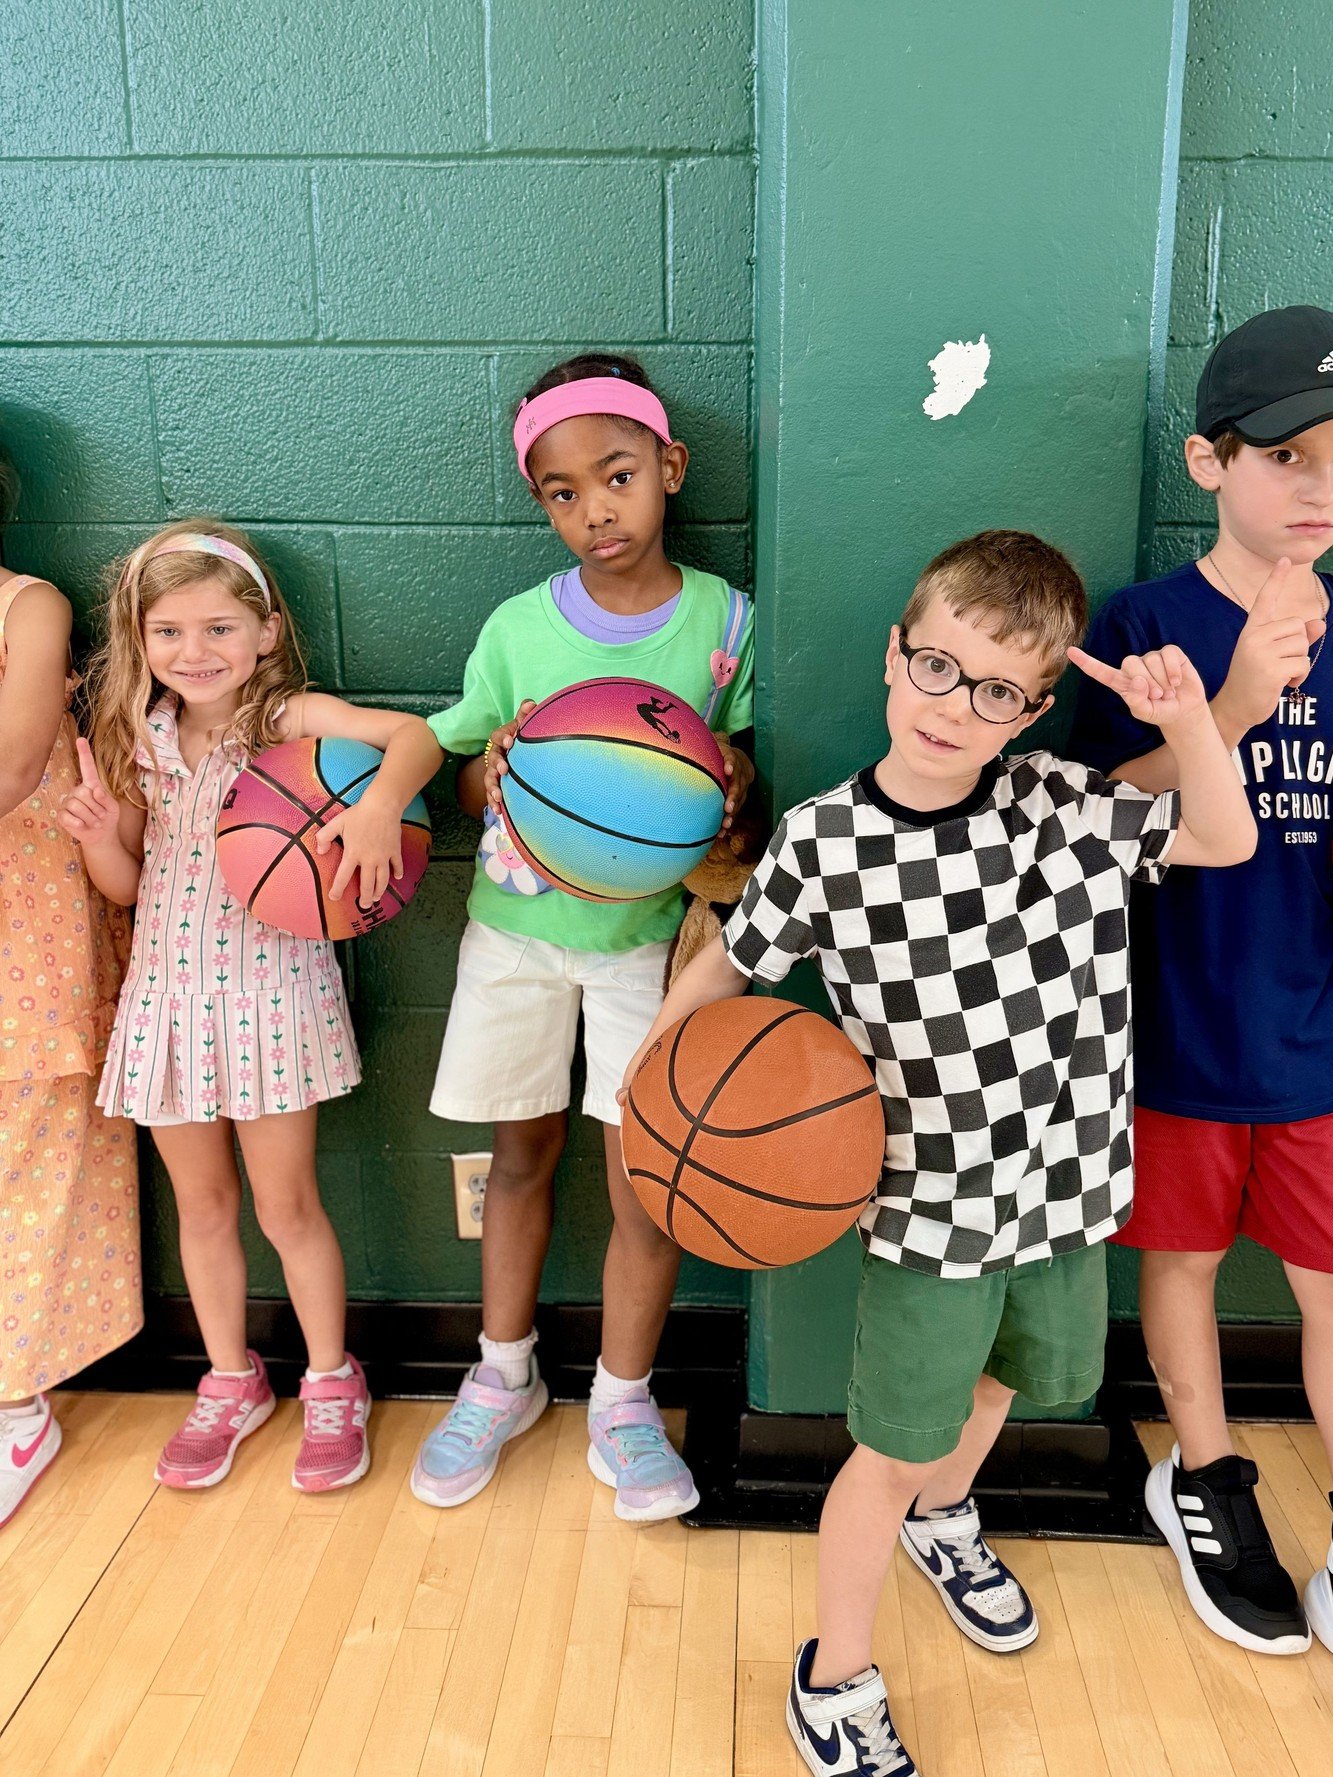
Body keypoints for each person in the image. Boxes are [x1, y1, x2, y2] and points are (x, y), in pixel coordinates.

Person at [623, 529, 1255, 1774]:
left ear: (1034, 712)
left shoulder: (1069, 807)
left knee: (1023, 1377)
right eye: (937, 667)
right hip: (929, 1214)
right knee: (893, 1441)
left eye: (999, 691)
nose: (955, 708)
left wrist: (1189, 723)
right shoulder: (822, 842)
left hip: (1066, 1191)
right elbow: (733, 961)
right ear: (892, 657)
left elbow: (1224, 839)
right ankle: (835, 1673)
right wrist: (654, 1070)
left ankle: (947, 1518)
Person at [1069, 306, 1333, 1774]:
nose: (1322, 488)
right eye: (1287, 454)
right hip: (1172, 1025)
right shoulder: (1140, 623)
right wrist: (1233, 699)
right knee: (1182, 1268)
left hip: (1322, 1033)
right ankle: (1205, 1475)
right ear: (1208, 459)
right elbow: (1101, 814)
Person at [413, 354, 754, 1521]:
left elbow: (750, 783)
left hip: (642, 947)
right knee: (518, 1158)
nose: (594, 508)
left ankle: (622, 1397)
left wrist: (728, 780)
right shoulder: (518, 629)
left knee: (643, 1182)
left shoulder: (725, 623)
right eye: (561, 492)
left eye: (616, 475)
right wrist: (490, 775)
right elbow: (462, 780)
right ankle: (502, 1374)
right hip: (514, 934)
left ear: (670, 468)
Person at [62, 520, 442, 1492]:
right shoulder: (137, 740)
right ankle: (230, 1378)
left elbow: (416, 738)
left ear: (266, 632)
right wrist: (105, 835)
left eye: (221, 628)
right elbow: (126, 884)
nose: (197, 653)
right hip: (167, 998)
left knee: (286, 1202)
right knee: (203, 1204)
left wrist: (372, 808)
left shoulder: (283, 719)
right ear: (139, 639)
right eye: (170, 633)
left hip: (270, 992)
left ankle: (329, 1380)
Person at [0, 445, 141, 1527]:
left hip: (29, 907)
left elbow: (13, 764)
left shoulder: (28, 604)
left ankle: (18, 1401)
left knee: (37, 1139)